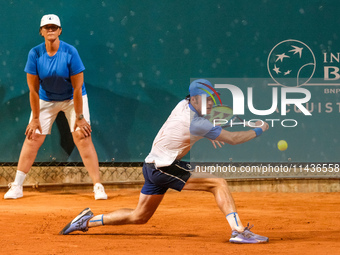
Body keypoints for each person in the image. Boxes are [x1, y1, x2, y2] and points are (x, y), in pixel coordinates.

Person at [59, 79, 269, 243]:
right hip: (164, 167)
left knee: (139, 216)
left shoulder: (183, 104)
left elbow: (200, 122)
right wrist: (259, 130)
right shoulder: (195, 122)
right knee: (218, 183)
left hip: (153, 165)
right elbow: (232, 139)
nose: (211, 102)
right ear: (194, 99)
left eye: (212, 98)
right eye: (206, 99)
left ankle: (87, 221)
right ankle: (238, 230)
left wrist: (210, 128)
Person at [4, 14, 107, 200]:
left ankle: (98, 186)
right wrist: (35, 119)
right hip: (45, 98)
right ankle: (17, 186)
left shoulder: (70, 52)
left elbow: (77, 88)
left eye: (54, 27)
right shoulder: (34, 54)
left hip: (72, 98)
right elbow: (33, 90)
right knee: (33, 136)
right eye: (47, 27)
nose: (50, 30)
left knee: (82, 137)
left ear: (59, 31)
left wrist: (80, 117)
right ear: (41, 31)